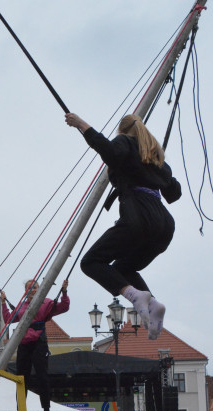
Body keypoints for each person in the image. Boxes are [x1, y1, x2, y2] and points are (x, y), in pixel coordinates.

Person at [64, 112, 182, 341]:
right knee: (123, 270)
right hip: (164, 227)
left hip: (138, 217)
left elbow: (109, 151)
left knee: (91, 262)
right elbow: (174, 193)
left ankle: (135, 297)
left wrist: (81, 124)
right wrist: (155, 167)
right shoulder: (158, 162)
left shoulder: (125, 143)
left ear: (123, 131)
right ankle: (153, 303)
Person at [0, 279, 70, 411]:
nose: (32, 289)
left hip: (39, 342)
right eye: (29, 288)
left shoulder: (46, 303)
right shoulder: (21, 306)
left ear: (39, 289)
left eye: (35, 287)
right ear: (25, 291)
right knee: (21, 378)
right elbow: (8, 319)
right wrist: (3, 303)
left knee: (42, 376)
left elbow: (64, 307)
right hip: (24, 344)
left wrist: (64, 292)